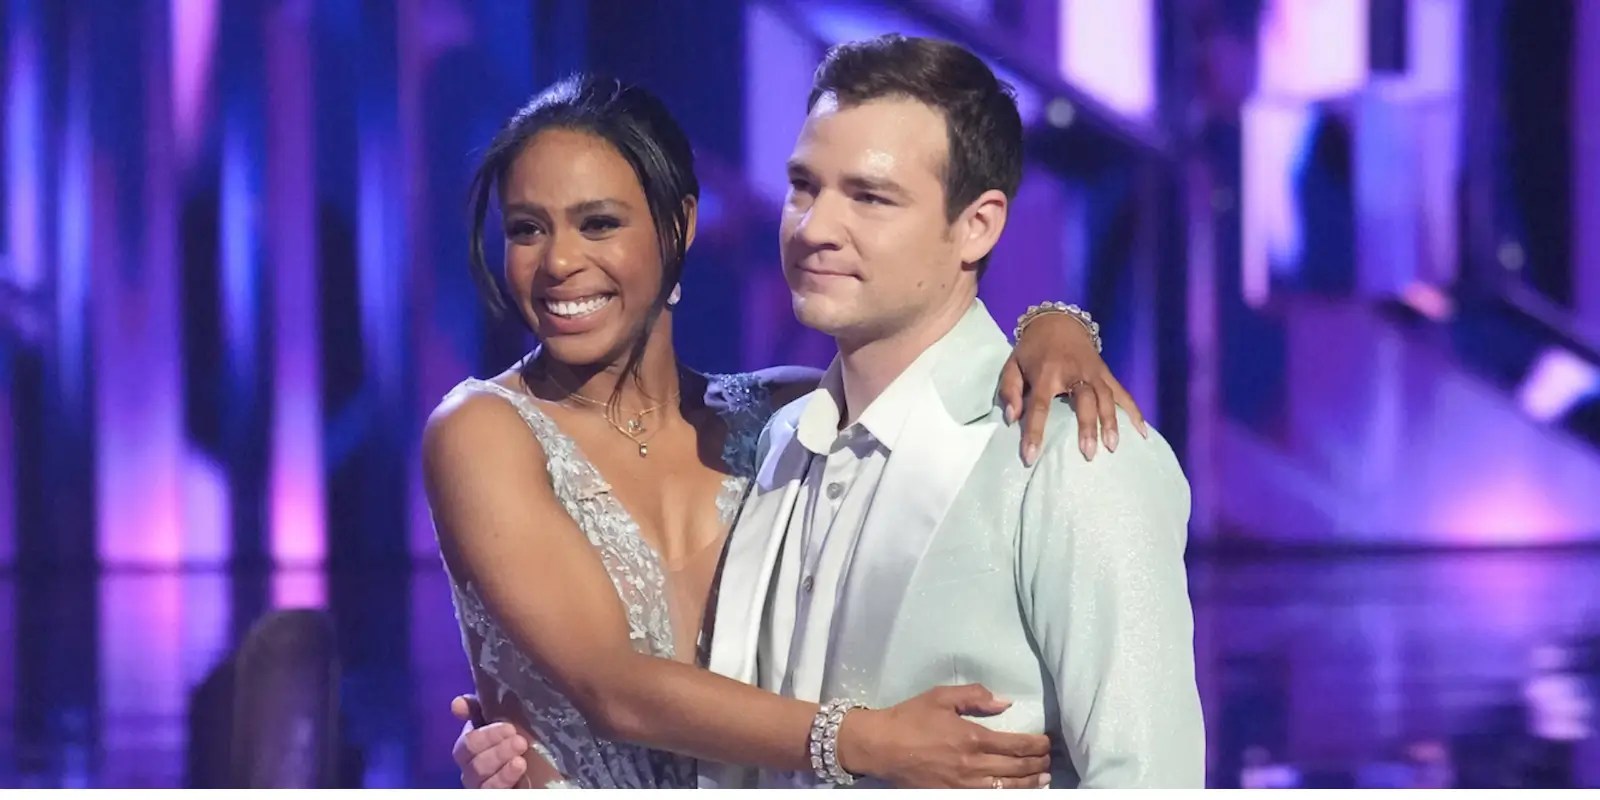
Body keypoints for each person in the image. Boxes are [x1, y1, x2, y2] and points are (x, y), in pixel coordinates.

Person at [453, 35, 1203, 790]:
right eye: (804, 187)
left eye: (869, 197)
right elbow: (638, 700)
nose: (814, 229)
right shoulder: (783, 438)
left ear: (977, 225)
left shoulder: (1075, 451)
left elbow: (1149, 777)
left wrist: (1057, 323)